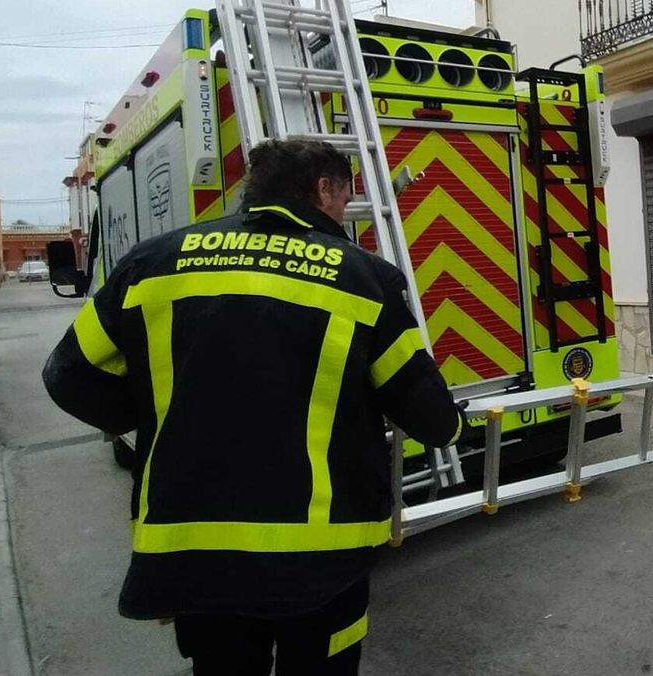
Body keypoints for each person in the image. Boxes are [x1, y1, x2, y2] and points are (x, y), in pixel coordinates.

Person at [43, 139, 463, 675]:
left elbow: (66, 375)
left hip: (194, 557)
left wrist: (152, 414)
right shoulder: (361, 278)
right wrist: (451, 426)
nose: (344, 213)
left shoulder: (152, 263)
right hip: (322, 561)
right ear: (323, 189)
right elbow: (430, 417)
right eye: (345, 198)